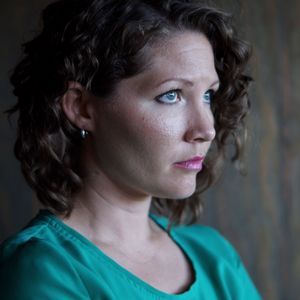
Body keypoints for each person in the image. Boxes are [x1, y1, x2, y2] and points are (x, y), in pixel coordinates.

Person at [0, 0, 262, 299]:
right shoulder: (44, 270)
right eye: (172, 95)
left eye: (207, 95)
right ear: (82, 107)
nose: (206, 130)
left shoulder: (215, 256)